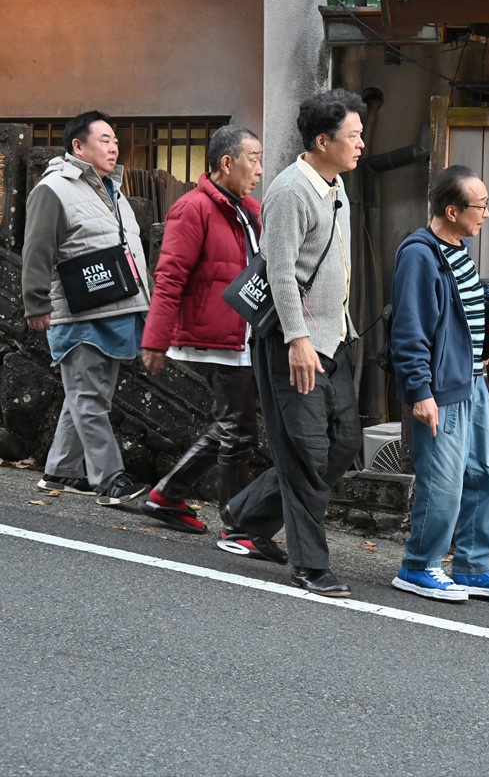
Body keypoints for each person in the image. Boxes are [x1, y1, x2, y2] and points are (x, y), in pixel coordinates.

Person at [219, 89, 366, 598]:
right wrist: (298, 340)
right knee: (305, 451)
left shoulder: (336, 186)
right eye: (354, 136)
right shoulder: (289, 191)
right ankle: (310, 565)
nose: (361, 144)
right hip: (293, 343)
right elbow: (279, 271)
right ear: (322, 141)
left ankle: (244, 514)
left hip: (336, 337)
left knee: (345, 442)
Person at [388, 164, 489, 602]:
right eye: (480, 205)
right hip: (441, 390)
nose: (486, 213)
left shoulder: (457, 249)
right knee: (444, 482)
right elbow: (409, 330)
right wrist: (420, 392)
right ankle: (418, 565)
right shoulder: (420, 253)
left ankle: (473, 566)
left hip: (472, 383)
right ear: (452, 210)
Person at [22, 110, 152, 507]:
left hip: (114, 310)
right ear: (78, 146)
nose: (114, 147)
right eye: (105, 140)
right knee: (89, 398)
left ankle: (61, 470)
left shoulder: (113, 191)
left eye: (116, 140)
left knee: (87, 395)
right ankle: (110, 480)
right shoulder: (54, 188)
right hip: (79, 313)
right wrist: (36, 302)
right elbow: (37, 247)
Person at [139, 125, 264, 536]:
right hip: (215, 338)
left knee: (232, 424)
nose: (260, 169)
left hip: (243, 334)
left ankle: (168, 494)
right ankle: (236, 525)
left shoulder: (249, 210)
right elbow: (170, 275)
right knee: (239, 431)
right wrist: (155, 339)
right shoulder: (192, 208)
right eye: (254, 158)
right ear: (226, 163)